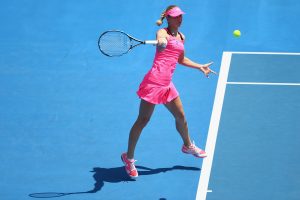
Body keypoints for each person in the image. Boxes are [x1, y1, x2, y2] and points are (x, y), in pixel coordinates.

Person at [121, 5, 217, 179]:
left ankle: (188, 146)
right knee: (143, 120)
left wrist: (199, 66)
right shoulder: (162, 33)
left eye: (181, 16)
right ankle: (129, 158)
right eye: (176, 16)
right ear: (168, 18)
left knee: (181, 117)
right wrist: (162, 43)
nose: (180, 19)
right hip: (154, 82)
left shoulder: (181, 37)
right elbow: (161, 40)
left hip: (167, 84)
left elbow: (180, 59)